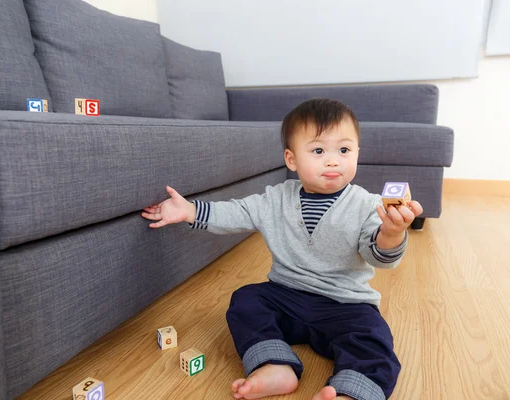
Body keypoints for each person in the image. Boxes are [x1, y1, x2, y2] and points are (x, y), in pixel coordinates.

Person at [141, 98, 423, 400]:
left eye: (344, 150)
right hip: (286, 296)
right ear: (291, 159)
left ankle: (351, 392)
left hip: (345, 304)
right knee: (246, 300)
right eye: (318, 151)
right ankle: (274, 365)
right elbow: (237, 212)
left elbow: (375, 253)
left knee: (374, 337)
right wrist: (190, 211)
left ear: (357, 154)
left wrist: (391, 232)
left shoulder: (368, 205)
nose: (332, 161)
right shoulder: (275, 199)